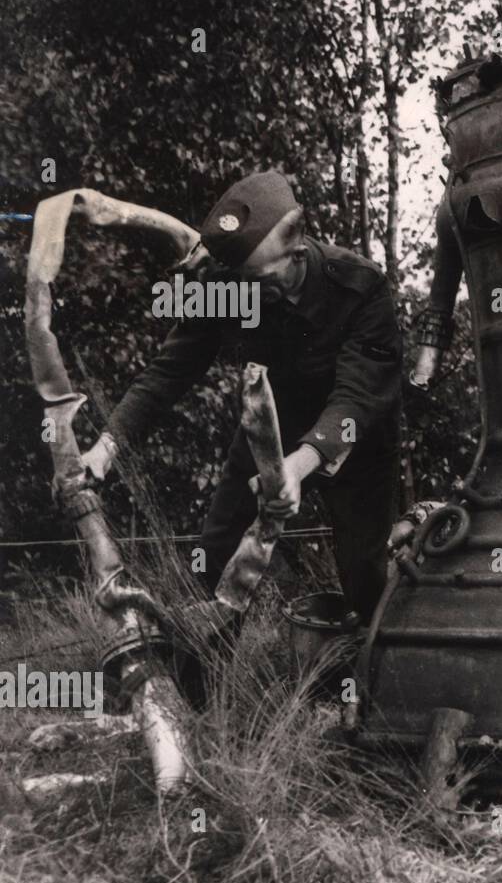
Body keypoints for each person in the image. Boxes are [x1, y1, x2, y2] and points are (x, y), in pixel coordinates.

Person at [80, 170, 403, 623]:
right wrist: (106, 446)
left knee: (364, 576)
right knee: (214, 558)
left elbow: (356, 399)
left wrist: (300, 464)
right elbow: (169, 371)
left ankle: (366, 683)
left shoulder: (361, 286)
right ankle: (206, 684)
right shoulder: (228, 285)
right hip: (268, 435)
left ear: (297, 251)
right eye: (242, 283)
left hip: (356, 446)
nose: (250, 295)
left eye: (263, 282)